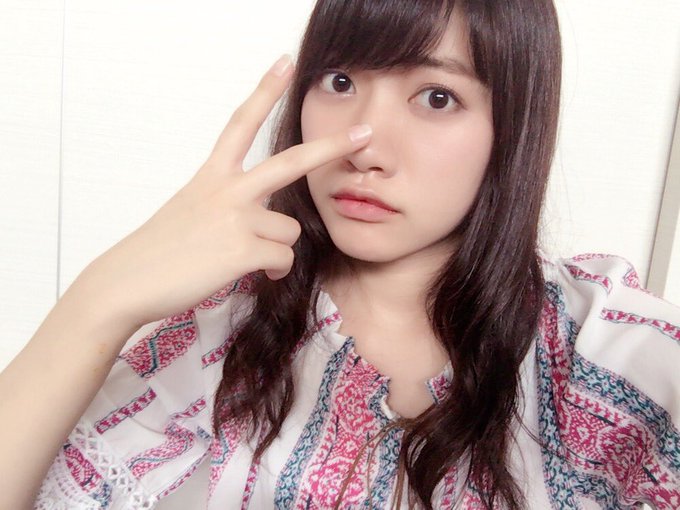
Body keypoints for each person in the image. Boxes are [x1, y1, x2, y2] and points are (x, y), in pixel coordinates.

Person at [1, 0, 678, 508]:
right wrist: (101, 298)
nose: (364, 146)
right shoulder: (221, 332)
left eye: (436, 96)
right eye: (340, 82)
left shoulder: (595, 350)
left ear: (514, 127)